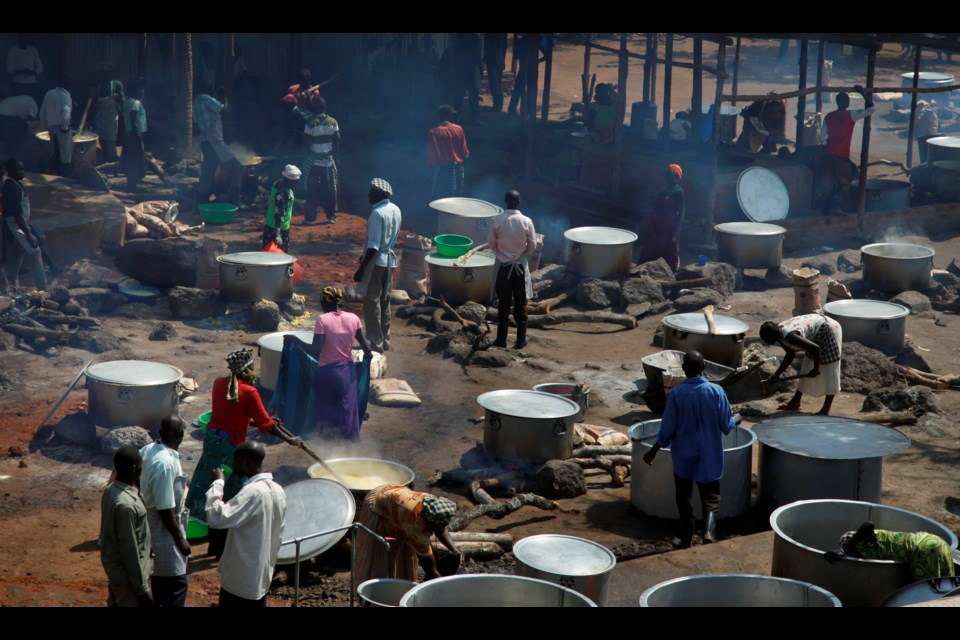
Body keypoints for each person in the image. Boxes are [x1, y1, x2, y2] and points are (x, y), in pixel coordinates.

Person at [184, 348, 300, 560]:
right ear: (246, 369)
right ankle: (221, 550)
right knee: (232, 495)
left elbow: (232, 414)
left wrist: (261, 420)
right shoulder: (249, 392)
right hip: (230, 447)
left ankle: (212, 546)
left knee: (213, 485)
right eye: (252, 368)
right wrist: (289, 438)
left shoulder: (220, 383)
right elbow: (266, 426)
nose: (254, 372)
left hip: (212, 442)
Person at [642, 350, 736, 548]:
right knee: (710, 498)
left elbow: (667, 427)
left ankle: (685, 540)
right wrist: (736, 418)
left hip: (684, 455)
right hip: (709, 455)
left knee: (684, 499)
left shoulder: (676, 394)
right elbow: (726, 426)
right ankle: (709, 532)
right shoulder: (716, 391)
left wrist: (654, 449)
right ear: (704, 368)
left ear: (684, 369)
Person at [205, 441, 287, 607]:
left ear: (248, 463)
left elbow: (216, 517)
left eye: (236, 461)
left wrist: (218, 483)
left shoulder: (252, 492)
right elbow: (279, 533)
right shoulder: (278, 490)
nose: (233, 465)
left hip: (240, 580)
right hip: (260, 577)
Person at [355, 484, 463, 584]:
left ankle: (399, 578)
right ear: (430, 522)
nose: (443, 527)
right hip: (377, 504)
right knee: (379, 549)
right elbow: (429, 567)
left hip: (393, 494)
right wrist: (440, 582)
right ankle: (375, 586)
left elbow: (441, 529)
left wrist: (454, 549)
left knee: (406, 545)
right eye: (439, 526)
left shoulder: (432, 503)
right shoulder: (416, 526)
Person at [304, 285, 372, 441]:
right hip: (348, 373)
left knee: (327, 410)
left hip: (328, 373)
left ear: (323, 302)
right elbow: (366, 348)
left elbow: (315, 350)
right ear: (339, 301)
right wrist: (367, 359)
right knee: (347, 409)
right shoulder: (353, 318)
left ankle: (328, 445)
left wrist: (294, 340)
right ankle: (347, 446)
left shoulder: (323, 320)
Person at [139, 415, 191, 607]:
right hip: (164, 529)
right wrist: (180, 539)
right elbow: (165, 509)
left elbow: (137, 477)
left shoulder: (148, 449)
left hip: (152, 522)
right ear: (181, 435)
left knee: (159, 580)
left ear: (160, 434)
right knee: (175, 583)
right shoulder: (166, 463)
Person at [99, 445, 153, 607]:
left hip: (116, 571)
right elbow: (129, 550)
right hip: (129, 580)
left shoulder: (111, 491)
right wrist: (142, 590)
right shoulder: (126, 506)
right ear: (135, 469)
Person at [759, 314, 843, 416]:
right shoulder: (779, 333)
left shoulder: (789, 336)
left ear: (771, 337)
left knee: (830, 368)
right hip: (816, 331)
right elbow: (790, 354)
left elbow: (815, 349)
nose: (765, 342)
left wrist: (816, 369)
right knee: (807, 364)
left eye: (765, 340)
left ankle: (825, 410)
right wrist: (776, 374)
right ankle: (796, 401)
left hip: (829, 328)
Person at [354, 178, 401, 354]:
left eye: (371, 192)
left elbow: (374, 246)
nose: (368, 195)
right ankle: (385, 339)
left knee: (371, 304)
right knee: (385, 301)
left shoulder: (377, 213)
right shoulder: (395, 209)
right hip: (390, 261)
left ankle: (375, 342)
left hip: (376, 263)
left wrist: (361, 269)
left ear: (380, 194)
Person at [487, 189, 537, 349]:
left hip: (503, 267)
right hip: (520, 267)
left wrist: (502, 255)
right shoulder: (526, 221)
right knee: (521, 302)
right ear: (519, 201)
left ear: (505, 201)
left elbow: (491, 244)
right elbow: (533, 245)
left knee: (504, 302)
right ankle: (520, 341)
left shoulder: (497, 220)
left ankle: (501, 340)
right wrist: (521, 254)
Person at [824, 521, 955, 580]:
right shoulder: (876, 540)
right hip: (935, 541)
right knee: (946, 588)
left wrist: (844, 551)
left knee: (929, 594)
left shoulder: (860, 540)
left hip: (922, 551)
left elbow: (867, 524)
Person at [819, 85, 875, 215]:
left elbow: (822, 138)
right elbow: (872, 108)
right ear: (848, 103)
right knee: (845, 184)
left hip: (828, 154)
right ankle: (838, 209)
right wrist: (862, 93)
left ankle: (826, 207)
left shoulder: (829, 116)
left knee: (830, 183)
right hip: (841, 157)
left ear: (837, 102)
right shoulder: (851, 115)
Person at [193, 82, 241, 210]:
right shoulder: (208, 100)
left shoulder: (196, 103)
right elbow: (224, 110)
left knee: (208, 174)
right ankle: (235, 202)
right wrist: (224, 97)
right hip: (215, 143)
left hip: (206, 143)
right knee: (236, 167)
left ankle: (199, 204)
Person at [2, 158, 47, 292]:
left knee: (14, 259)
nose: (22, 172)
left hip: (15, 227)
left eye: (22, 169)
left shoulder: (15, 184)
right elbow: (17, 214)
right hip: (15, 227)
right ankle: (43, 289)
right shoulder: (11, 187)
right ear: (10, 171)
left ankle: (11, 290)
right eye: (18, 170)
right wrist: (28, 233)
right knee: (35, 253)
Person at [639, 164, 685, 272]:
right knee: (651, 247)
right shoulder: (665, 190)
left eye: (668, 174)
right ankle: (647, 270)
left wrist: (675, 232)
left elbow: (681, 213)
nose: (665, 176)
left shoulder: (679, 192)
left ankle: (671, 273)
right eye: (666, 174)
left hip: (669, 225)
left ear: (675, 175)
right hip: (656, 224)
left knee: (669, 250)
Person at [302, 98, 340, 225]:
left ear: (314, 109)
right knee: (330, 189)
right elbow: (336, 141)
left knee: (311, 189)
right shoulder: (333, 122)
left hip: (314, 162)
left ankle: (310, 218)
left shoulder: (310, 122)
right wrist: (336, 157)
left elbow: (307, 142)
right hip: (328, 161)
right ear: (326, 108)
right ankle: (331, 216)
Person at [427, 105, 470, 199]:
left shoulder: (433, 132)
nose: (454, 117)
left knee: (440, 195)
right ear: (449, 116)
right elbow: (464, 152)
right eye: (452, 115)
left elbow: (432, 156)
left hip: (442, 169)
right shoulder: (458, 129)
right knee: (458, 194)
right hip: (457, 167)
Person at [38, 74, 73, 177]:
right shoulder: (66, 97)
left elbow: (42, 112)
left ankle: (53, 175)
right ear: (69, 86)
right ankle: (64, 177)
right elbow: (66, 117)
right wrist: (64, 129)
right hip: (61, 129)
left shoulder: (49, 93)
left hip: (51, 129)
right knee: (64, 155)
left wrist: (44, 127)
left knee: (54, 152)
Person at [262, 164, 301, 253]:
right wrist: (278, 235)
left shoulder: (276, 183)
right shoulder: (285, 194)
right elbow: (279, 214)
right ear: (288, 180)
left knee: (266, 255)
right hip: (279, 229)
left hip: (269, 225)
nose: (296, 183)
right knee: (281, 257)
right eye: (294, 181)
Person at [91, 63, 124, 164]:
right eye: (103, 74)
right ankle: (106, 160)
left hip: (111, 116)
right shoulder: (98, 84)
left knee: (110, 139)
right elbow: (93, 99)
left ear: (111, 74)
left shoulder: (117, 84)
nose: (105, 76)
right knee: (101, 139)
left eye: (107, 74)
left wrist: (117, 97)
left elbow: (122, 98)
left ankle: (113, 161)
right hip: (100, 115)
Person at [120, 78, 147, 192]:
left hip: (130, 134)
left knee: (131, 160)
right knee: (134, 160)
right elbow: (134, 120)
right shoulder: (134, 103)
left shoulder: (128, 101)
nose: (143, 92)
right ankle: (132, 188)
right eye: (141, 90)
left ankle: (132, 186)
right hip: (133, 134)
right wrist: (139, 137)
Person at [6, 34, 43, 105]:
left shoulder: (33, 50)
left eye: (26, 37)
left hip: (31, 84)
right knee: (17, 105)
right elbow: (9, 70)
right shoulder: (13, 51)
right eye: (22, 37)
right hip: (17, 85)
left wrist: (31, 72)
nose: (24, 39)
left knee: (30, 106)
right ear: (19, 38)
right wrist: (22, 72)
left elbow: (40, 68)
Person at [0, 94, 38, 160]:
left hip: (3, 109)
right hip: (3, 114)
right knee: (10, 137)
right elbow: (29, 122)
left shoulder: (28, 99)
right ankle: (12, 158)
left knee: (9, 135)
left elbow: (19, 119)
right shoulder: (33, 107)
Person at [483, 34, 508, 113]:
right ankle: (498, 105)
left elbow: (488, 45)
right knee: (497, 82)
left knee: (494, 83)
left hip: (493, 59)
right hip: (498, 59)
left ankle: (497, 105)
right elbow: (504, 46)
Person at [915, 100, 939, 164]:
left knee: (929, 150)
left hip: (929, 136)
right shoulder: (921, 114)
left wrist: (930, 135)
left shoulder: (930, 114)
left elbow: (932, 127)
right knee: (924, 151)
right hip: (924, 136)